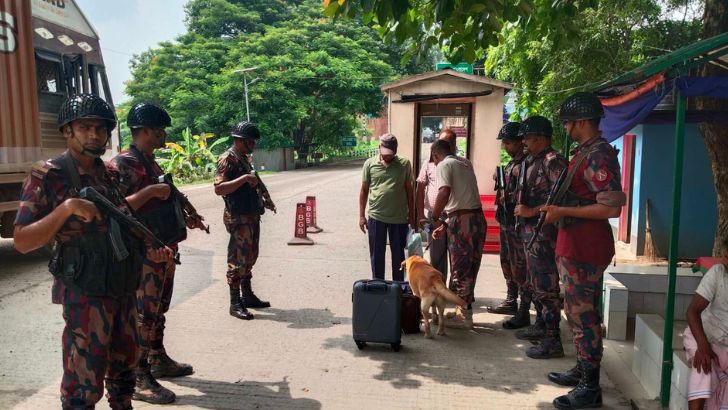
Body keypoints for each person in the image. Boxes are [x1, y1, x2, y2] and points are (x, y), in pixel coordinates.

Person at [13, 94, 172, 409]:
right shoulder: (48, 174)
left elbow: (124, 218)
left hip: (122, 285)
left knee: (124, 369)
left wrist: (152, 245)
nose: (95, 135)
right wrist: (67, 209)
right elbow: (22, 240)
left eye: (102, 129)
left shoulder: (109, 174)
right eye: (85, 127)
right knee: (83, 384)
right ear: (67, 131)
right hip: (85, 292)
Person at [112, 103, 204, 403]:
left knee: (157, 311)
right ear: (145, 131)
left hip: (163, 248)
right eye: (160, 130)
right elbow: (114, 210)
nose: (164, 135)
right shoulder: (123, 164)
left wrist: (186, 214)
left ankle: (156, 359)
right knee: (143, 315)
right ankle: (139, 378)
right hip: (142, 252)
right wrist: (150, 192)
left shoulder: (151, 162)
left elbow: (168, 196)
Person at [542, 92, 625, 409]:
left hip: (585, 247)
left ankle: (591, 388)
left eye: (567, 122)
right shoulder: (585, 152)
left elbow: (610, 209)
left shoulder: (598, 155)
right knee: (576, 315)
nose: (565, 128)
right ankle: (583, 369)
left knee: (584, 317)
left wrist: (563, 212)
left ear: (580, 122)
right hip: (573, 245)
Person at [512, 116, 568, 359]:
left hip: (544, 234)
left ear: (540, 138)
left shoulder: (552, 161)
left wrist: (530, 212)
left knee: (547, 288)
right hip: (531, 233)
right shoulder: (532, 161)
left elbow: (559, 199)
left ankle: (553, 340)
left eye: (528, 138)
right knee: (536, 284)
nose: (524, 142)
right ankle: (543, 327)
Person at [214, 121, 276, 320]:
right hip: (238, 217)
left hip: (250, 215)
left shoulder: (242, 158)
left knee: (250, 256)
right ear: (240, 141)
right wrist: (243, 180)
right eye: (250, 142)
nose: (254, 145)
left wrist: (266, 199)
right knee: (237, 261)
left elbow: (254, 179)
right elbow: (219, 188)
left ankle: (247, 295)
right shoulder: (227, 159)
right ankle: (235, 303)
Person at [430, 139, 486, 329]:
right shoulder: (464, 163)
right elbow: (463, 200)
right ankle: (462, 308)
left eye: (434, 160)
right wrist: (446, 224)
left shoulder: (445, 164)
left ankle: (466, 315)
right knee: (471, 266)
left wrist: (435, 215)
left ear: (437, 155)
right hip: (476, 219)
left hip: (463, 222)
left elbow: (445, 193)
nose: (435, 164)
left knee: (460, 268)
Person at [359, 134, 415, 281]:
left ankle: (398, 288)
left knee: (398, 257)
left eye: (390, 155)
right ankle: (378, 286)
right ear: (379, 148)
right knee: (377, 255)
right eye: (384, 154)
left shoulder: (404, 164)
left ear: (395, 152)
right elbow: (364, 190)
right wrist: (361, 216)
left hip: (399, 218)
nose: (387, 157)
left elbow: (409, 191)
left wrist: (412, 215)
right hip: (376, 217)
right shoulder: (369, 164)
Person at [684, 239, 728, 410]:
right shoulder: (718, 273)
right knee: (703, 369)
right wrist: (703, 346)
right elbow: (692, 312)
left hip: (724, 346)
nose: (725, 259)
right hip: (703, 334)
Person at [488, 122, 526, 317]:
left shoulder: (526, 163)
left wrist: (509, 196)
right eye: (504, 143)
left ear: (521, 142)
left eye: (509, 143)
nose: (506, 147)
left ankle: (523, 306)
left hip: (519, 224)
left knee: (520, 264)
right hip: (506, 220)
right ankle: (511, 299)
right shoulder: (512, 164)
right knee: (506, 261)